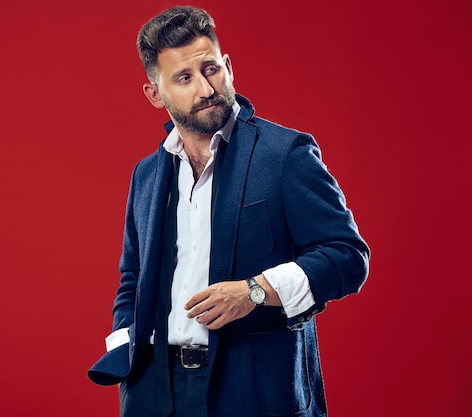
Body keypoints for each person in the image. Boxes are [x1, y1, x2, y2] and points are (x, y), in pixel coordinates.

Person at [88, 5, 369, 417]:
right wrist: (125, 347)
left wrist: (255, 291)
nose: (205, 89)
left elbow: (347, 256)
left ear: (228, 66)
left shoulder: (285, 154)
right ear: (155, 94)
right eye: (184, 78)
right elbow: (132, 275)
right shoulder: (146, 175)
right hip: (154, 391)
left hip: (253, 391)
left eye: (211, 69)